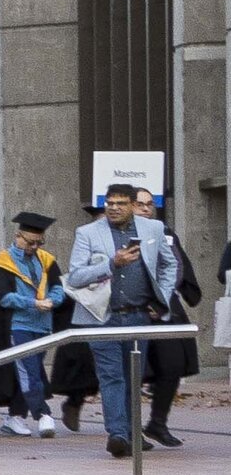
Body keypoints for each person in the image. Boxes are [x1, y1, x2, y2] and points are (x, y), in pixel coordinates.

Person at [69, 183, 193, 455]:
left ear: (133, 205)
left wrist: (160, 298)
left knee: (131, 377)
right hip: (101, 317)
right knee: (112, 376)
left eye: (120, 203)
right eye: (109, 203)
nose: (114, 208)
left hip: (138, 316)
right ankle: (117, 434)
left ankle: (126, 432)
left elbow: (169, 264)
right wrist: (113, 263)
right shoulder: (87, 233)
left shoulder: (153, 229)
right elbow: (76, 276)